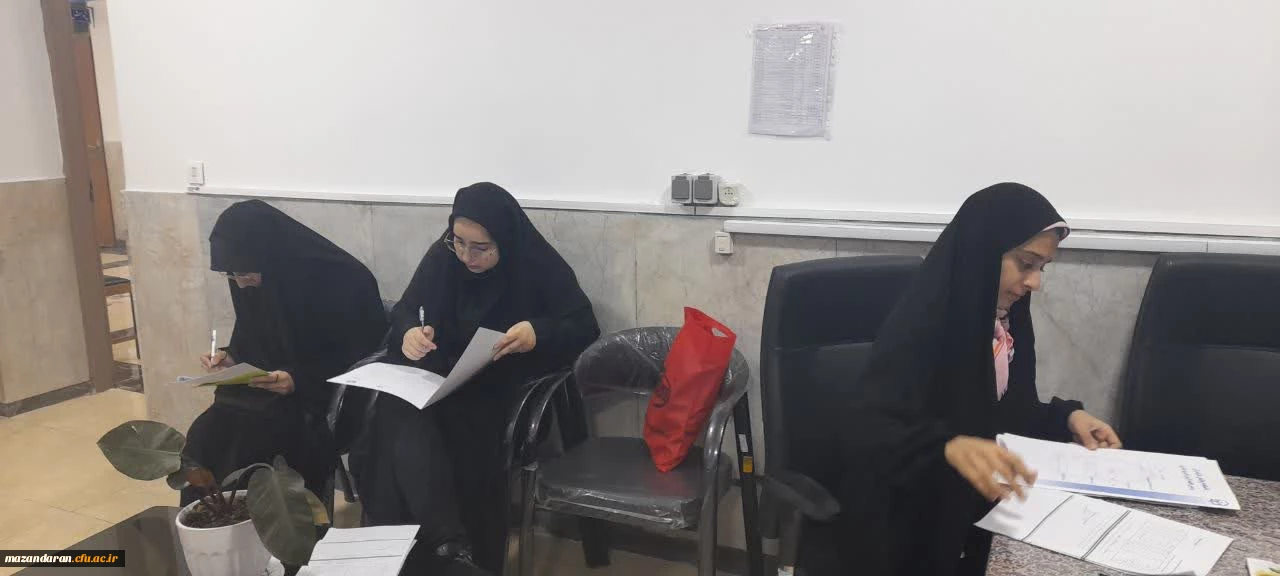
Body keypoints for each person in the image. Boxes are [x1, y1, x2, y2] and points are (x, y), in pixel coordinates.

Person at [821, 183, 1122, 575]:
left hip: (975, 514)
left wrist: (1067, 418)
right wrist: (946, 447)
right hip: (907, 529)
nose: (1035, 282)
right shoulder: (925, 322)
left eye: (1042, 268)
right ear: (982, 255)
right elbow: (866, 429)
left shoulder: (1003, 322)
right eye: (1026, 264)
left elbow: (1007, 413)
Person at [351, 182, 600, 572]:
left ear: (505, 240)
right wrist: (409, 334)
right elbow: (406, 310)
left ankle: (442, 547)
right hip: (435, 379)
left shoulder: (535, 266)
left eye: (481, 248)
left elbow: (584, 326)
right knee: (393, 411)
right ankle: (447, 542)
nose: (467, 256)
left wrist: (537, 332)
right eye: (459, 242)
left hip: (500, 390)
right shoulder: (443, 257)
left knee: (425, 429)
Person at [182, 200, 388, 506]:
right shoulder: (255, 279)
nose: (241, 283)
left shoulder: (344, 280)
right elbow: (253, 339)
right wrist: (232, 359)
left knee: (254, 442)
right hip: (264, 398)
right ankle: (211, 522)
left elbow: (363, 358)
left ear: (270, 254)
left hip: (322, 401)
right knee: (204, 435)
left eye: (246, 272)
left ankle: (267, 529)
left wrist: (299, 381)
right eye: (231, 275)